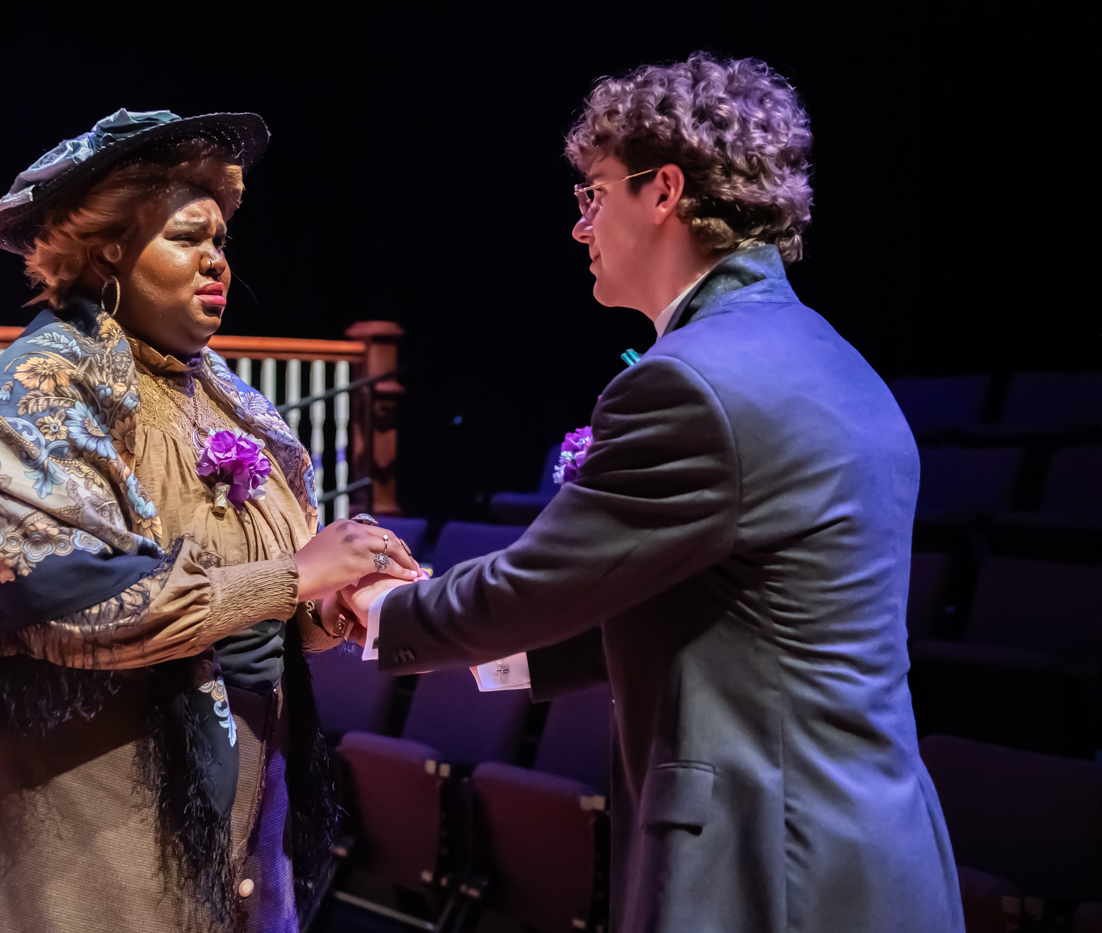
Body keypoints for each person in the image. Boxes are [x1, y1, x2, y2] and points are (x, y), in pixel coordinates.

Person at [345, 54, 964, 932]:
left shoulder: (693, 383)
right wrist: (506, 657)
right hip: (863, 850)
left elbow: (535, 583)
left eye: (593, 194)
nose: (580, 226)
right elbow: (706, 609)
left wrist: (381, 607)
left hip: (769, 862)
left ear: (664, 190)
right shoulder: (829, 355)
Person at [0, 108, 418, 933]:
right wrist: (295, 576)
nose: (216, 260)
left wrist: (329, 602)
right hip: (81, 838)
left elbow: (260, 582)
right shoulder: (35, 389)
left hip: (235, 829)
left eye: (221, 239)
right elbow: (75, 598)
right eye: (188, 237)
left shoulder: (227, 396)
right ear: (107, 251)